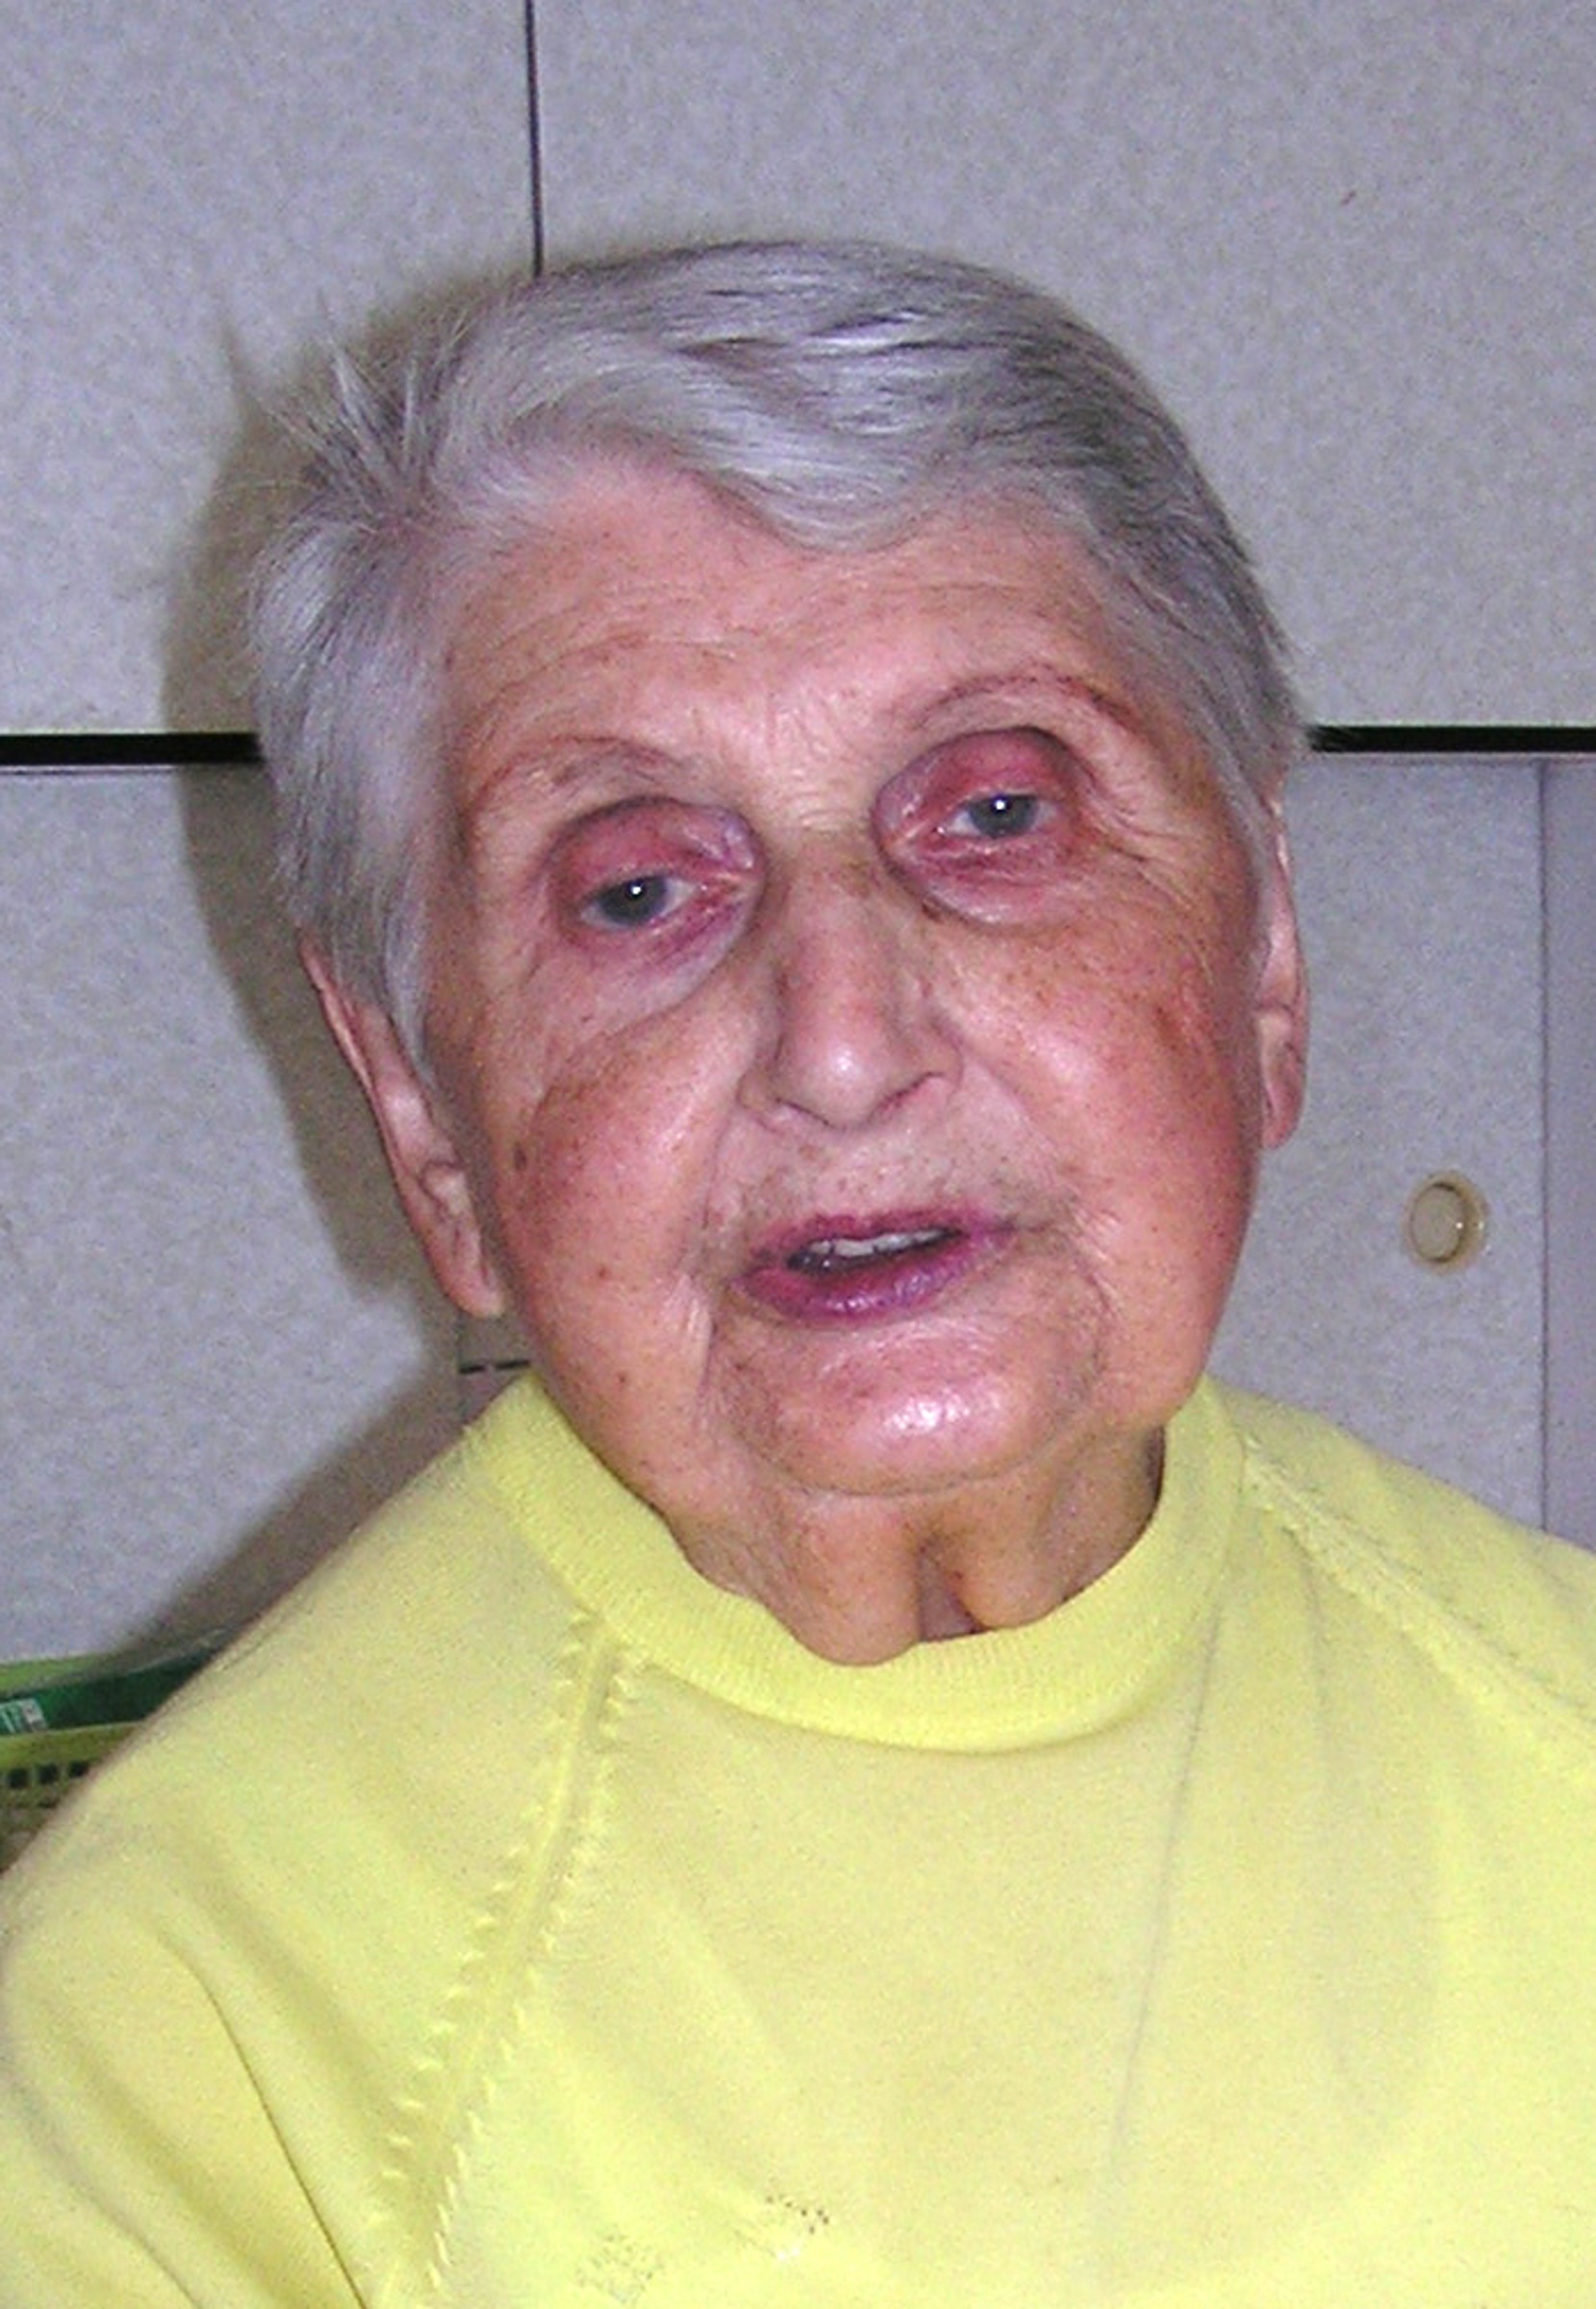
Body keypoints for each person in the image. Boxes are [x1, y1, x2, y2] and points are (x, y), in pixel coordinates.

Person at [3, 240, 1595, 2307]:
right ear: (420, 1108)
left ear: (1265, 954)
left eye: (996, 810)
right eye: (635, 890)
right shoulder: (182, 2043)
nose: (842, 1040)